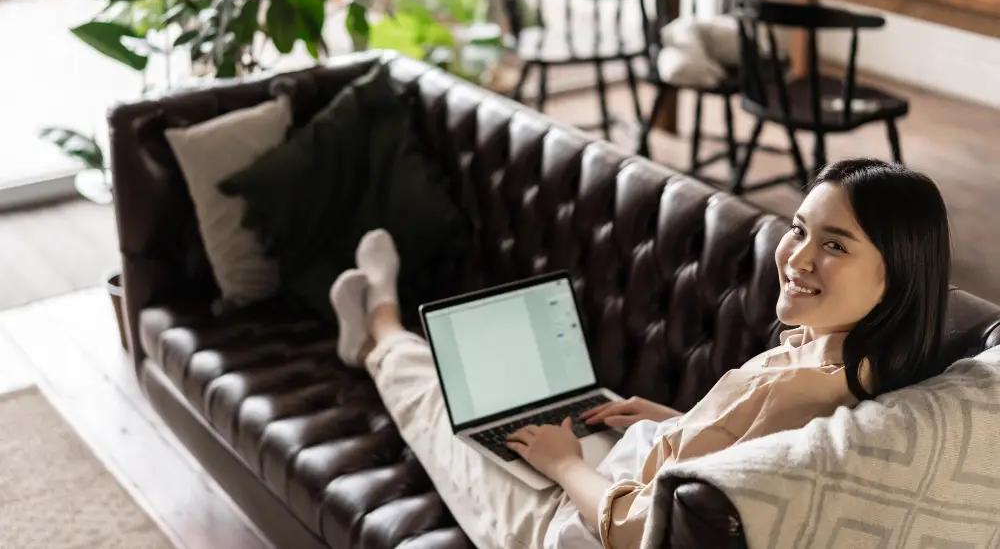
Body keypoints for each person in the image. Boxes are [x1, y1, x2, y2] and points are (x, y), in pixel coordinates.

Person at [329, 158, 951, 549]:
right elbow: (734, 471)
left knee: (444, 417)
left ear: (896, 276)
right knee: (511, 409)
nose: (797, 257)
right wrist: (674, 423)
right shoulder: (844, 360)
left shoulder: (803, 395)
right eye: (798, 228)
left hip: (577, 526)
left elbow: (641, 532)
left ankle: (379, 328)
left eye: (835, 245)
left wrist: (564, 466)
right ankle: (381, 333)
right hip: (628, 467)